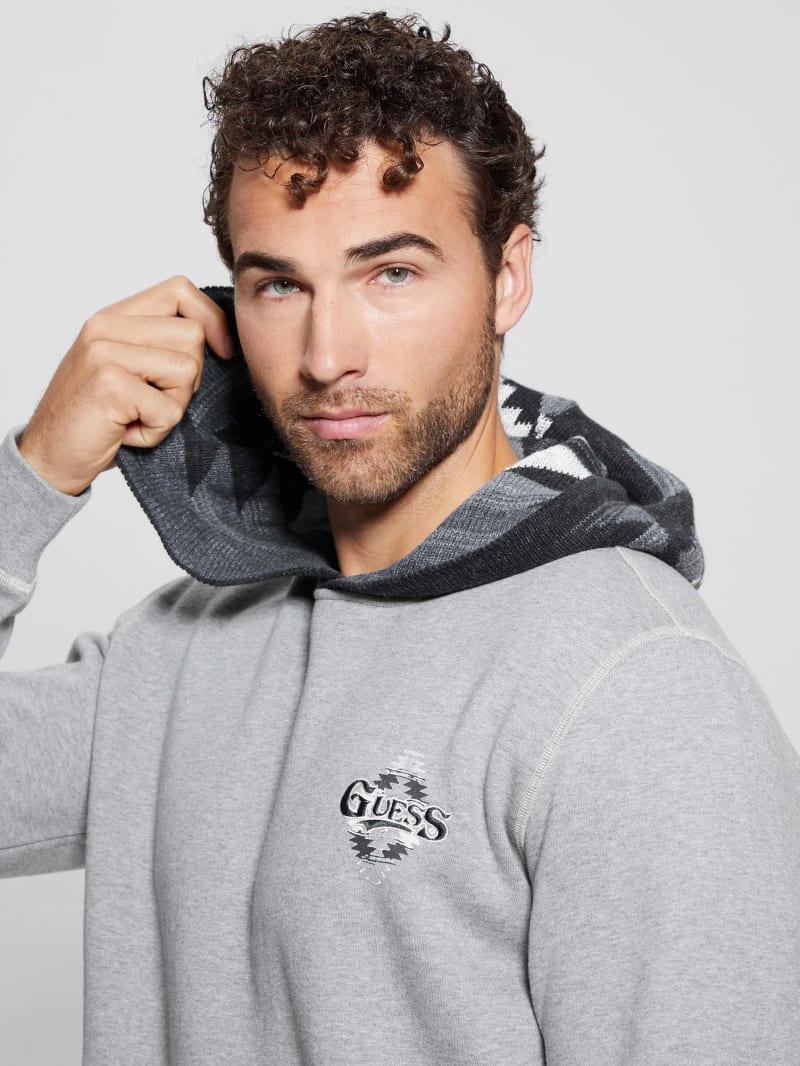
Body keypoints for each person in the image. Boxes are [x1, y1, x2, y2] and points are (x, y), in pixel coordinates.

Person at [1, 11, 798, 1065]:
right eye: (279, 284)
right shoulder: (178, 651)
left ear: (507, 278)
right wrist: (32, 475)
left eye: (391, 273)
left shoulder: (638, 684)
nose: (328, 355)